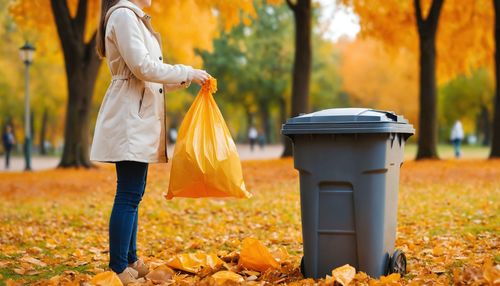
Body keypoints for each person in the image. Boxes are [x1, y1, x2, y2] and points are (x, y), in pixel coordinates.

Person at [91, 0, 210, 284]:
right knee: (129, 193)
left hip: (137, 116)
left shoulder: (134, 17)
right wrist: (187, 72)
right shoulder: (123, 15)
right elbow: (143, 67)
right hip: (130, 117)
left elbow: (151, 74)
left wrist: (188, 78)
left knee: (134, 192)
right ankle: (119, 267)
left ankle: (130, 259)